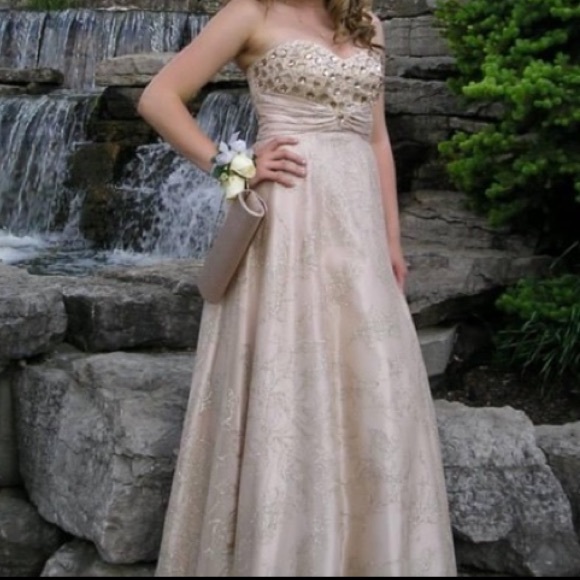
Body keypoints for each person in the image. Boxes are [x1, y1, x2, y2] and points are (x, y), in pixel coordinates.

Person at [137, 0, 457, 576]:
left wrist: (390, 238)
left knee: (372, 380)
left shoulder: (366, 22)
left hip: (357, 233)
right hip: (289, 226)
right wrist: (230, 168)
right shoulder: (250, 13)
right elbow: (159, 97)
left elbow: (376, 139)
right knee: (287, 381)